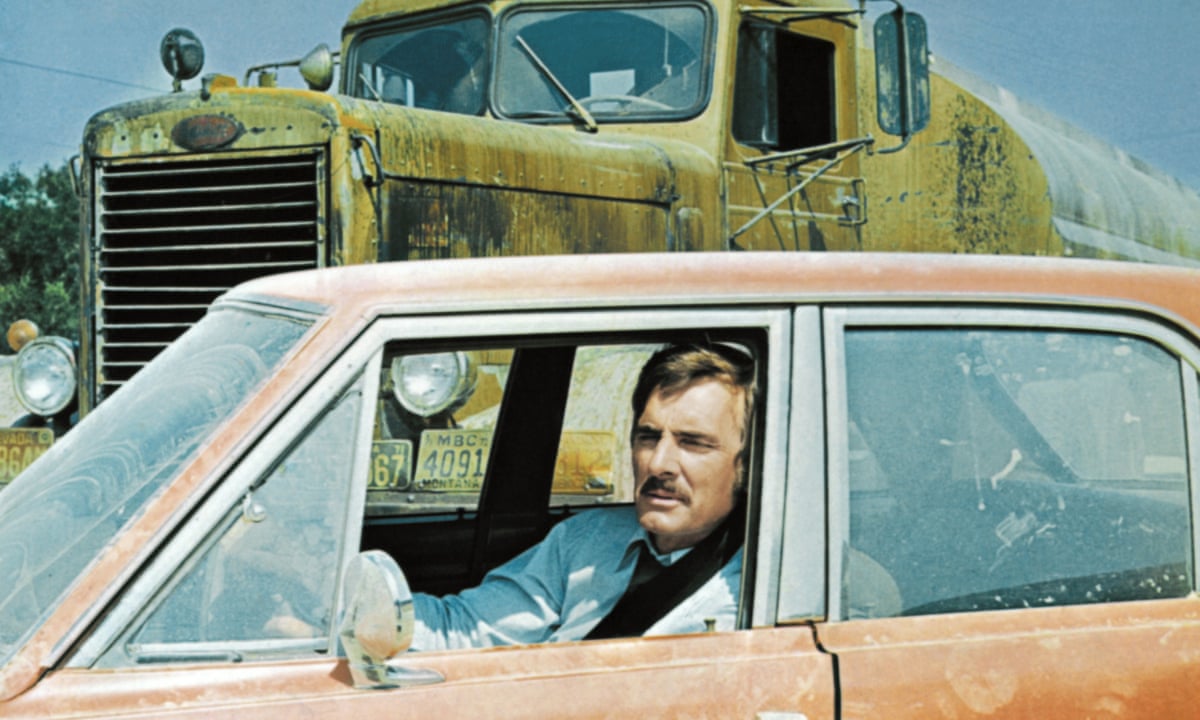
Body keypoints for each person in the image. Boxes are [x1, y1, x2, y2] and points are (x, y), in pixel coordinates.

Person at [412, 343, 756, 650]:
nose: (657, 464)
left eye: (693, 443)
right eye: (648, 437)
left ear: (749, 463)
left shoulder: (756, 590)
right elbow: (466, 629)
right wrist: (385, 609)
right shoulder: (586, 539)